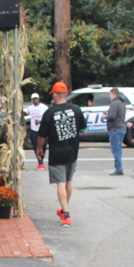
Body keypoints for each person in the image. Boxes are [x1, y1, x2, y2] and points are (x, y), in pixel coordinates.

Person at [37, 81, 87, 227]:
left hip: (56, 152)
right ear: (65, 94)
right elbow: (84, 130)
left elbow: (42, 135)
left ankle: (66, 215)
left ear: (54, 94)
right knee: (68, 181)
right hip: (72, 151)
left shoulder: (49, 113)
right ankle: (64, 209)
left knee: (60, 182)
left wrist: (39, 149)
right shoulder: (76, 109)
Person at [106, 87, 126, 176]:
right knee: (119, 149)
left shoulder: (114, 103)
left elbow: (112, 116)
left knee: (115, 150)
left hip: (115, 128)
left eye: (110, 94)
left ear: (113, 94)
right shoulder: (122, 103)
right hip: (121, 127)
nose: (109, 96)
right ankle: (119, 167)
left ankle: (119, 168)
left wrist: (105, 116)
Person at [26, 93, 48, 169]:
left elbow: (47, 118)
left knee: (43, 145)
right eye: (33, 99)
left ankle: (42, 160)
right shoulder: (30, 108)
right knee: (35, 146)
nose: (35, 100)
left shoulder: (44, 107)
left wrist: (40, 121)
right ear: (32, 100)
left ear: (38, 99)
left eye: (36, 98)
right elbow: (26, 114)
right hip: (33, 129)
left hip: (42, 129)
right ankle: (40, 162)